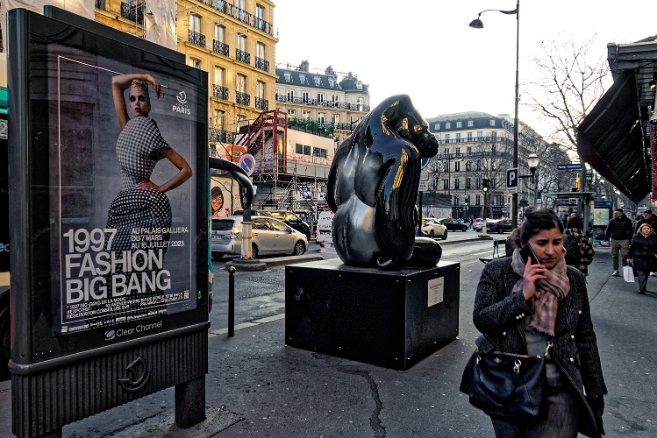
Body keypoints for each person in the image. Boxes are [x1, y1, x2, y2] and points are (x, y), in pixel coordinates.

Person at [470, 208, 606, 437]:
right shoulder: (498, 271)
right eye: (542, 242)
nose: (552, 251)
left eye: (557, 242)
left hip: (559, 383)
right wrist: (522, 296)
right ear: (524, 242)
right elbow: (482, 319)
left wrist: (594, 390)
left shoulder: (573, 279)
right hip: (508, 381)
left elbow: (585, 336)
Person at [107, 72, 192, 266]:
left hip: (147, 205)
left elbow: (186, 169)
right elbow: (115, 83)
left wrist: (160, 188)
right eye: (133, 99)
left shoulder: (149, 130)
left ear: (149, 105)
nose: (137, 103)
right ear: (129, 103)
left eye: (142, 99)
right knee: (117, 264)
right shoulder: (126, 125)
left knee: (143, 265)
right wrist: (145, 76)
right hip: (124, 204)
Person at [627, 223, 657, 294]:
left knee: (646, 272)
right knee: (641, 272)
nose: (646, 230)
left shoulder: (655, 237)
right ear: (641, 230)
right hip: (638, 257)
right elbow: (632, 248)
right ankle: (642, 289)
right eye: (644, 229)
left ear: (651, 230)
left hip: (651, 257)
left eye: (648, 229)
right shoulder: (636, 237)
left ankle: (643, 285)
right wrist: (629, 257)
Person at [605, 208, 634, 277]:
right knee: (614, 255)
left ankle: (625, 269)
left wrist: (628, 239)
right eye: (614, 213)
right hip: (614, 240)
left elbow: (631, 231)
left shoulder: (627, 221)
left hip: (624, 240)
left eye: (617, 213)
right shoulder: (612, 221)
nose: (615, 214)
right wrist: (606, 240)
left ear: (621, 213)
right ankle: (616, 270)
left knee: (625, 255)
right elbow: (608, 231)